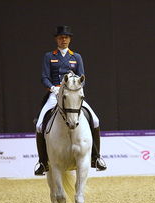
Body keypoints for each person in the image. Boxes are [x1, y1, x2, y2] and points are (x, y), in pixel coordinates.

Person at [34, 25, 107, 175]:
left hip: (72, 95)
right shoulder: (49, 56)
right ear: (57, 39)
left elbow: (83, 77)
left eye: (66, 37)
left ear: (70, 39)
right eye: (61, 37)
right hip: (54, 95)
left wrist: (77, 87)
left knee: (96, 120)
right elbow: (44, 77)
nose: (64, 40)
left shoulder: (76, 57)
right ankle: (42, 162)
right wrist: (53, 88)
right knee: (40, 125)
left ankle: (96, 157)